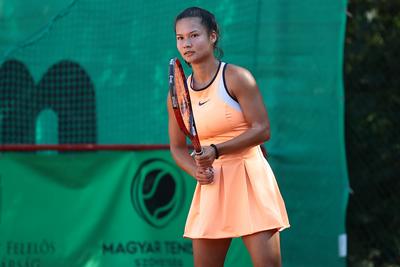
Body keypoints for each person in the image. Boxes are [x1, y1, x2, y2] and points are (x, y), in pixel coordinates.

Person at [167, 7, 290, 267]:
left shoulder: (237, 77)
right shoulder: (177, 95)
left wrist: (217, 150)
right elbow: (177, 149)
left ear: (213, 37)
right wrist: (196, 171)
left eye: (194, 35)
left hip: (250, 177)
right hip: (212, 186)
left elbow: (262, 129)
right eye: (180, 38)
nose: (186, 44)